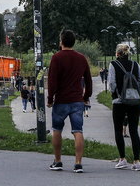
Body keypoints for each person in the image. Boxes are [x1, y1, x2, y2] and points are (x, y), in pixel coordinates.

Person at [47, 29, 92, 173]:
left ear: (61, 41)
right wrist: (86, 97)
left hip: (61, 100)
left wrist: (50, 98)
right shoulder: (81, 58)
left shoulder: (56, 57)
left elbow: (52, 81)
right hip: (77, 101)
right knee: (78, 131)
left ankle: (58, 161)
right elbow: (88, 81)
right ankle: (78, 163)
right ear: (74, 42)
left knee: (57, 130)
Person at [108, 43, 140, 171]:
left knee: (118, 130)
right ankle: (137, 161)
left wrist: (116, 92)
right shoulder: (135, 65)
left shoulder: (113, 64)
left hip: (119, 101)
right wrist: (134, 90)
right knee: (134, 131)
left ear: (117, 54)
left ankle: (122, 159)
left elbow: (112, 83)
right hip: (134, 102)